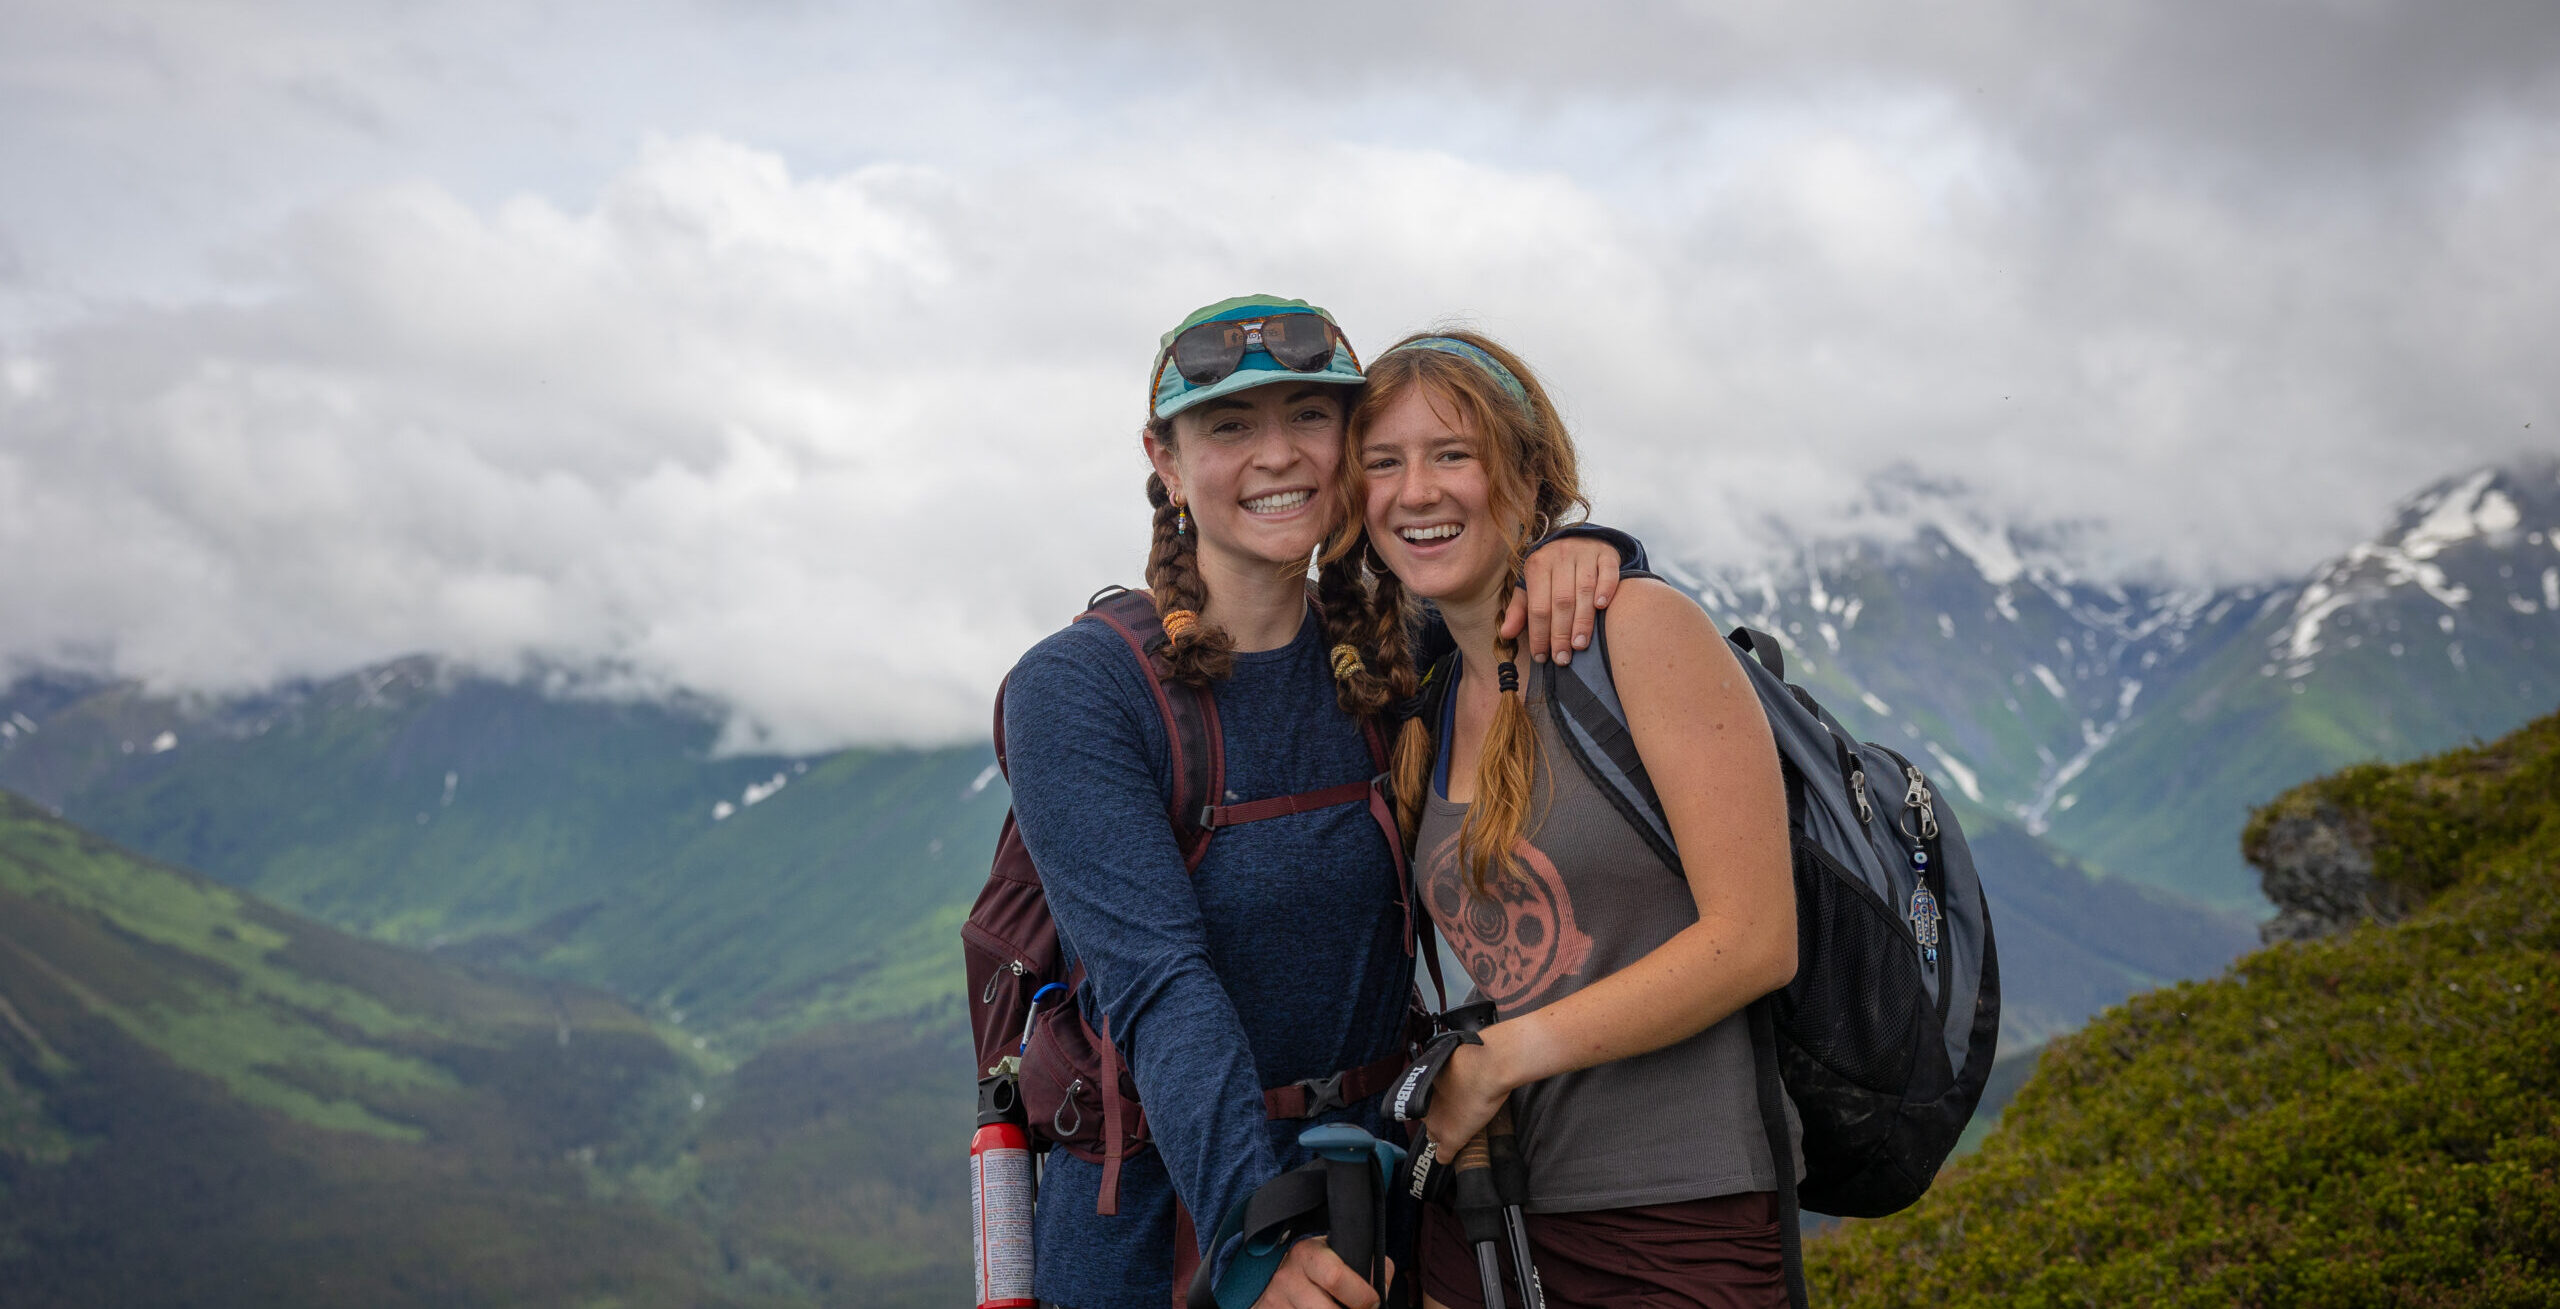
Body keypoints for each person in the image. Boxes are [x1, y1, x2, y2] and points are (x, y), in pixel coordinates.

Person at [999, 297, 1641, 1309]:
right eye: (1229, 426)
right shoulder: (1082, 689)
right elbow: (1160, 981)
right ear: (1162, 460)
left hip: (1370, 1196)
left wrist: (1591, 549)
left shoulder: (1393, 656)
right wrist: (1259, 1241)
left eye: (1310, 416)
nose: (1279, 455)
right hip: (1164, 1227)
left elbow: (1506, 587)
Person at [1336, 331, 1799, 1308]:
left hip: (1676, 1216)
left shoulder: (1636, 632)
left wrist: (1501, 1059)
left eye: (1450, 454)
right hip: (1479, 1214)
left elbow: (1755, 939)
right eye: (1383, 462)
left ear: (1530, 470)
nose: (1414, 490)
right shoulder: (1424, 680)